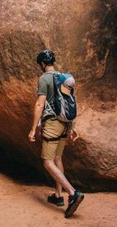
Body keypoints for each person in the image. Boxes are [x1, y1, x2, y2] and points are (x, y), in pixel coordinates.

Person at [28, 50, 84, 218]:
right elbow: (72, 102)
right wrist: (72, 126)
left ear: (42, 64)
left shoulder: (44, 78)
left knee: (47, 161)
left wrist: (33, 128)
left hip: (52, 123)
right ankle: (58, 196)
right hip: (65, 124)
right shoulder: (63, 78)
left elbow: (40, 104)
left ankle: (72, 193)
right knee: (58, 158)